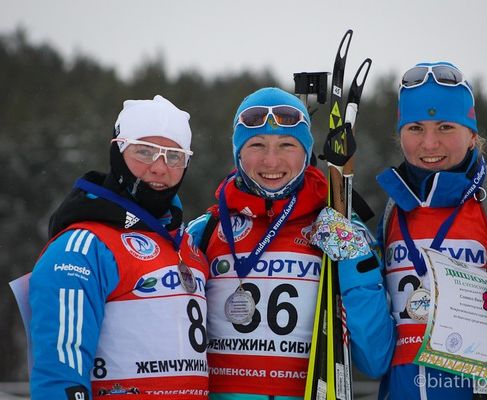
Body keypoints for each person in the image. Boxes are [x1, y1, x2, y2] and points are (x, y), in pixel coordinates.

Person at [340, 62, 487, 399]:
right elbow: (377, 337)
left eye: (446, 127)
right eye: (415, 128)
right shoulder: (395, 211)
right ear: (400, 136)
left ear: (472, 136)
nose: (429, 143)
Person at [187, 87, 387, 399]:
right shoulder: (206, 230)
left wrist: (355, 263)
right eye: (257, 145)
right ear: (238, 153)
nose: (271, 161)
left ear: (306, 153)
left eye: (287, 145)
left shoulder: (341, 228)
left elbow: (375, 360)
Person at [29, 95, 209, 399]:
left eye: (175, 156)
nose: (160, 167)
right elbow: (59, 374)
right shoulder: (83, 247)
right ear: (118, 150)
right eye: (145, 151)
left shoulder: (187, 244)